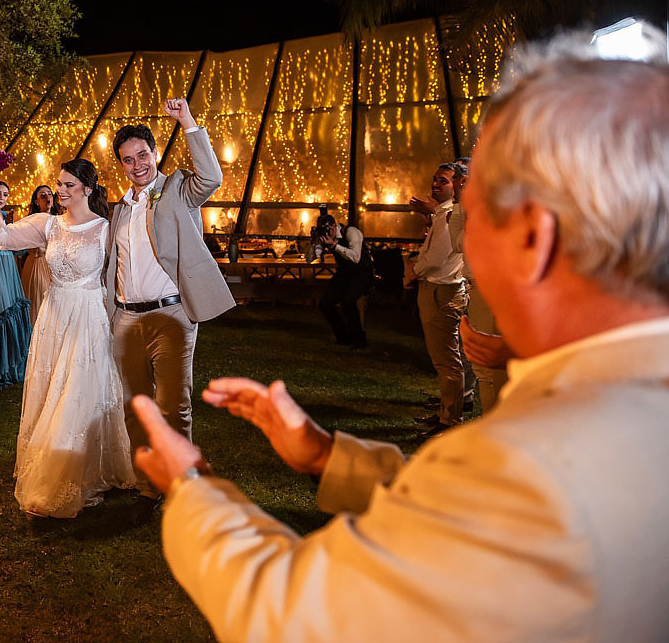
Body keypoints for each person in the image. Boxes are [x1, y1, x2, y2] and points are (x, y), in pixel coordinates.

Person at [130, 41, 669, 642]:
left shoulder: (550, 465)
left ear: (532, 239)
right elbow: (470, 508)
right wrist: (331, 457)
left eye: (475, 202)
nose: (455, 215)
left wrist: (189, 488)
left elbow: (298, 616)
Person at [0, 159, 135, 517]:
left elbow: (121, 274)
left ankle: (67, 473)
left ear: (87, 189)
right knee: (53, 386)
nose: (61, 191)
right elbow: (2, 235)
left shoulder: (105, 228)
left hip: (87, 315)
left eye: (68, 185)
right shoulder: (47, 225)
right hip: (54, 314)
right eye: (60, 184)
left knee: (78, 389)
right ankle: (61, 463)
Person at [107, 98, 235, 520]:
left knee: (173, 405)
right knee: (134, 407)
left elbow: (213, 176)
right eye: (128, 160)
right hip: (126, 318)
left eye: (143, 154)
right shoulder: (119, 209)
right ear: (121, 165)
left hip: (172, 316)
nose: (137, 164)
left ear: (155, 152)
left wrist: (187, 121)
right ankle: (147, 486)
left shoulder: (179, 187)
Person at [409, 161, 473, 433]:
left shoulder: (450, 216)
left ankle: (450, 419)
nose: (436, 184)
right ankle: (448, 411)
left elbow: (437, 257)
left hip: (440, 290)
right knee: (446, 358)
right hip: (440, 288)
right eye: (435, 179)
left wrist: (414, 271)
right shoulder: (444, 213)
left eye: (443, 181)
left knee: (446, 359)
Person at [448, 157, 508, 411]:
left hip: (491, 288)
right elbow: (459, 244)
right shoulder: (469, 209)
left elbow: (469, 243)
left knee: (489, 364)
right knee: (487, 366)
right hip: (481, 288)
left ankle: (496, 423)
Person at [0, 180, 32, 387]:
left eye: (5, 194)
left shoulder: (8, 220)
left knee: (12, 310)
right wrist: (4, 243)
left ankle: (13, 365)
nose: (1, 198)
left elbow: (19, 248)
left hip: (9, 269)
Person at [312, 213, 373, 349]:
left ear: (334, 226)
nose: (327, 233)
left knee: (348, 301)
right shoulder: (326, 237)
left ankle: (359, 339)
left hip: (361, 272)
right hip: (344, 273)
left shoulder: (351, 232)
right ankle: (343, 336)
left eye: (328, 230)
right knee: (325, 303)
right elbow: (312, 257)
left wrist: (334, 245)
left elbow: (356, 257)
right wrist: (315, 244)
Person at [19, 185, 54, 325]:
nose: (47, 197)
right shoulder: (31, 221)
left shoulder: (60, 219)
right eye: (43, 195)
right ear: (36, 201)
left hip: (54, 267)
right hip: (37, 264)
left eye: (49, 194)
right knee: (39, 305)